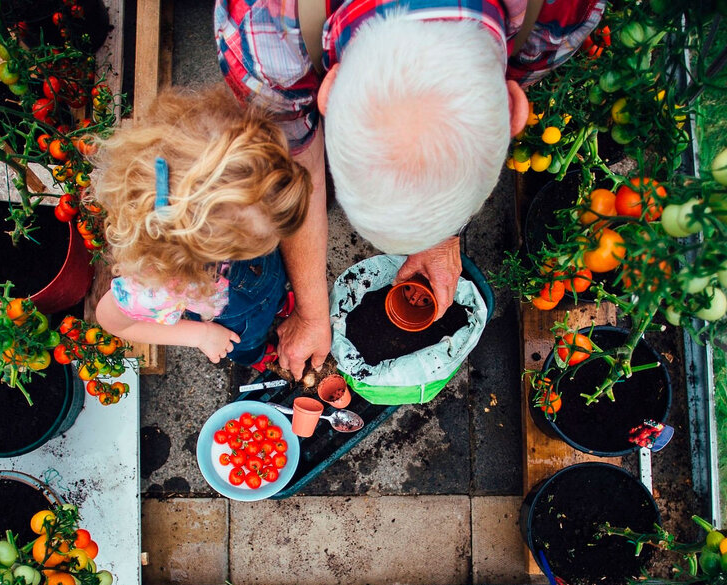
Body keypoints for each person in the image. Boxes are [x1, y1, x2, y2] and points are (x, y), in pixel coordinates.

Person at [216, 0, 605, 377]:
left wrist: (441, 238)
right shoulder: (264, 37)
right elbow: (298, 174)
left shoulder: (563, 13)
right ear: (514, 108)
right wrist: (313, 312)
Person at [91, 86, 312, 369]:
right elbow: (112, 322)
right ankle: (257, 354)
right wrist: (201, 334)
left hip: (263, 280)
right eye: (266, 237)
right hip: (235, 322)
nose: (278, 239)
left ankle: (277, 303)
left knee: (273, 286)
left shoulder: (236, 195)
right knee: (246, 343)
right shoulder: (156, 286)